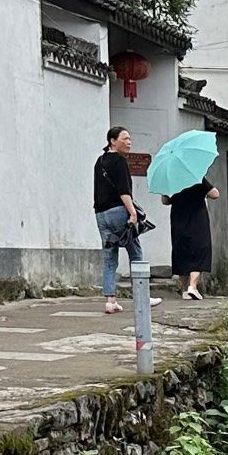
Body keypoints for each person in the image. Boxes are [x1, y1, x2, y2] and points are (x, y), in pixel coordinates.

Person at [92, 126, 149, 315]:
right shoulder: (119, 161)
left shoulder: (99, 162)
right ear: (112, 141)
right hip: (118, 211)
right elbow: (124, 191)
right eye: (125, 138)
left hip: (101, 214)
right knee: (135, 250)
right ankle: (142, 296)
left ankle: (110, 300)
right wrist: (132, 213)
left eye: (130, 138)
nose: (129, 142)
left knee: (109, 257)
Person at [162, 171, 219, 301]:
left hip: (178, 220)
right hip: (197, 220)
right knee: (199, 251)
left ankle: (184, 289)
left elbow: (165, 201)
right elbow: (215, 194)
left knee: (181, 252)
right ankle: (192, 287)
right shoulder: (196, 176)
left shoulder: (171, 179)